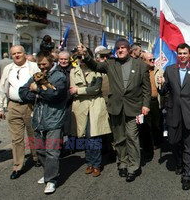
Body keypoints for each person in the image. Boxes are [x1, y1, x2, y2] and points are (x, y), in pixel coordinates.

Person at [77, 39, 150, 182]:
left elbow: (146, 89)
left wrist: (145, 105)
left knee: (132, 137)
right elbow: (95, 66)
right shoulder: (111, 64)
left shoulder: (141, 66)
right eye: (118, 48)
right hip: (116, 107)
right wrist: (86, 55)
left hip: (134, 108)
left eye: (123, 48)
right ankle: (122, 162)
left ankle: (133, 167)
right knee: (119, 138)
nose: (120, 50)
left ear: (129, 50)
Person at [157, 43, 190, 191]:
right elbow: (164, 92)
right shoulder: (170, 70)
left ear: (189, 54)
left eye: (185, 53)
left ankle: (187, 175)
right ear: (177, 54)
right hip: (174, 114)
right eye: (180, 53)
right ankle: (179, 162)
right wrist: (161, 84)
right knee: (173, 142)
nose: (182, 56)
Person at [19, 50, 68, 194]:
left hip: (54, 118)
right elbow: (23, 92)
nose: (42, 67)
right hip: (38, 119)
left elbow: (55, 94)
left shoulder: (59, 76)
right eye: (39, 64)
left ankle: (51, 180)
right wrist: (36, 92)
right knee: (40, 149)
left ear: (52, 61)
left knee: (52, 151)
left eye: (45, 64)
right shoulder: (36, 76)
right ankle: (48, 172)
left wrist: (37, 90)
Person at [0, 45, 40, 180]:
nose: (16, 55)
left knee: (33, 133)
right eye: (14, 54)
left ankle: (36, 157)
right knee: (16, 139)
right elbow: (2, 87)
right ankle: (17, 166)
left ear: (24, 54)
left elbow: (41, 82)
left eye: (19, 53)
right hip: (13, 106)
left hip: (30, 105)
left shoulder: (33, 66)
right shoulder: (8, 69)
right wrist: (1, 107)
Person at [69, 49, 111, 178]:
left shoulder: (97, 70)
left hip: (95, 105)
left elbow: (95, 89)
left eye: (83, 58)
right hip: (80, 106)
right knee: (84, 136)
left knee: (94, 135)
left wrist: (79, 90)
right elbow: (72, 89)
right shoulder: (73, 71)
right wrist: (81, 90)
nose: (81, 61)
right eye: (79, 58)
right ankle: (89, 162)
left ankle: (96, 164)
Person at [140, 52, 162, 160]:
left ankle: (157, 142)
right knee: (144, 125)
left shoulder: (158, 70)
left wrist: (162, 82)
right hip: (143, 103)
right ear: (143, 60)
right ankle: (146, 148)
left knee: (156, 124)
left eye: (154, 59)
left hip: (154, 101)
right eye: (150, 60)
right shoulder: (139, 71)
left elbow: (164, 87)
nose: (153, 61)